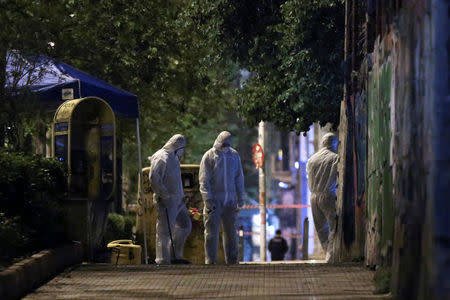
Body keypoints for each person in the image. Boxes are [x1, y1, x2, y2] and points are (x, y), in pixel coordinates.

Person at [199, 131, 245, 264]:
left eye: (227, 143)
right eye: (223, 143)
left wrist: (240, 197)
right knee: (211, 233)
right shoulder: (209, 156)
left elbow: (239, 178)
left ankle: (232, 260)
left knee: (231, 233)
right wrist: (207, 199)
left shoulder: (234, 155)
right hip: (214, 200)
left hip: (230, 200)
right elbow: (204, 180)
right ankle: (210, 261)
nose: (225, 146)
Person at [149, 134, 192, 264]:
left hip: (177, 200)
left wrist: (182, 196)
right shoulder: (161, 157)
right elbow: (154, 178)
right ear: (176, 146)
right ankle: (162, 259)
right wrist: (165, 195)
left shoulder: (174, 157)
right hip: (166, 200)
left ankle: (174, 255)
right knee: (164, 230)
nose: (183, 150)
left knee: (185, 225)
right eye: (182, 147)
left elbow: (176, 181)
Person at [306, 133, 339, 262]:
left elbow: (308, 177)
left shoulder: (312, 159)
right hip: (328, 195)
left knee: (321, 229)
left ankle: (327, 253)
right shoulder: (335, 158)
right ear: (334, 143)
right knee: (333, 227)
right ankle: (330, 257)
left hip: (313, 196)